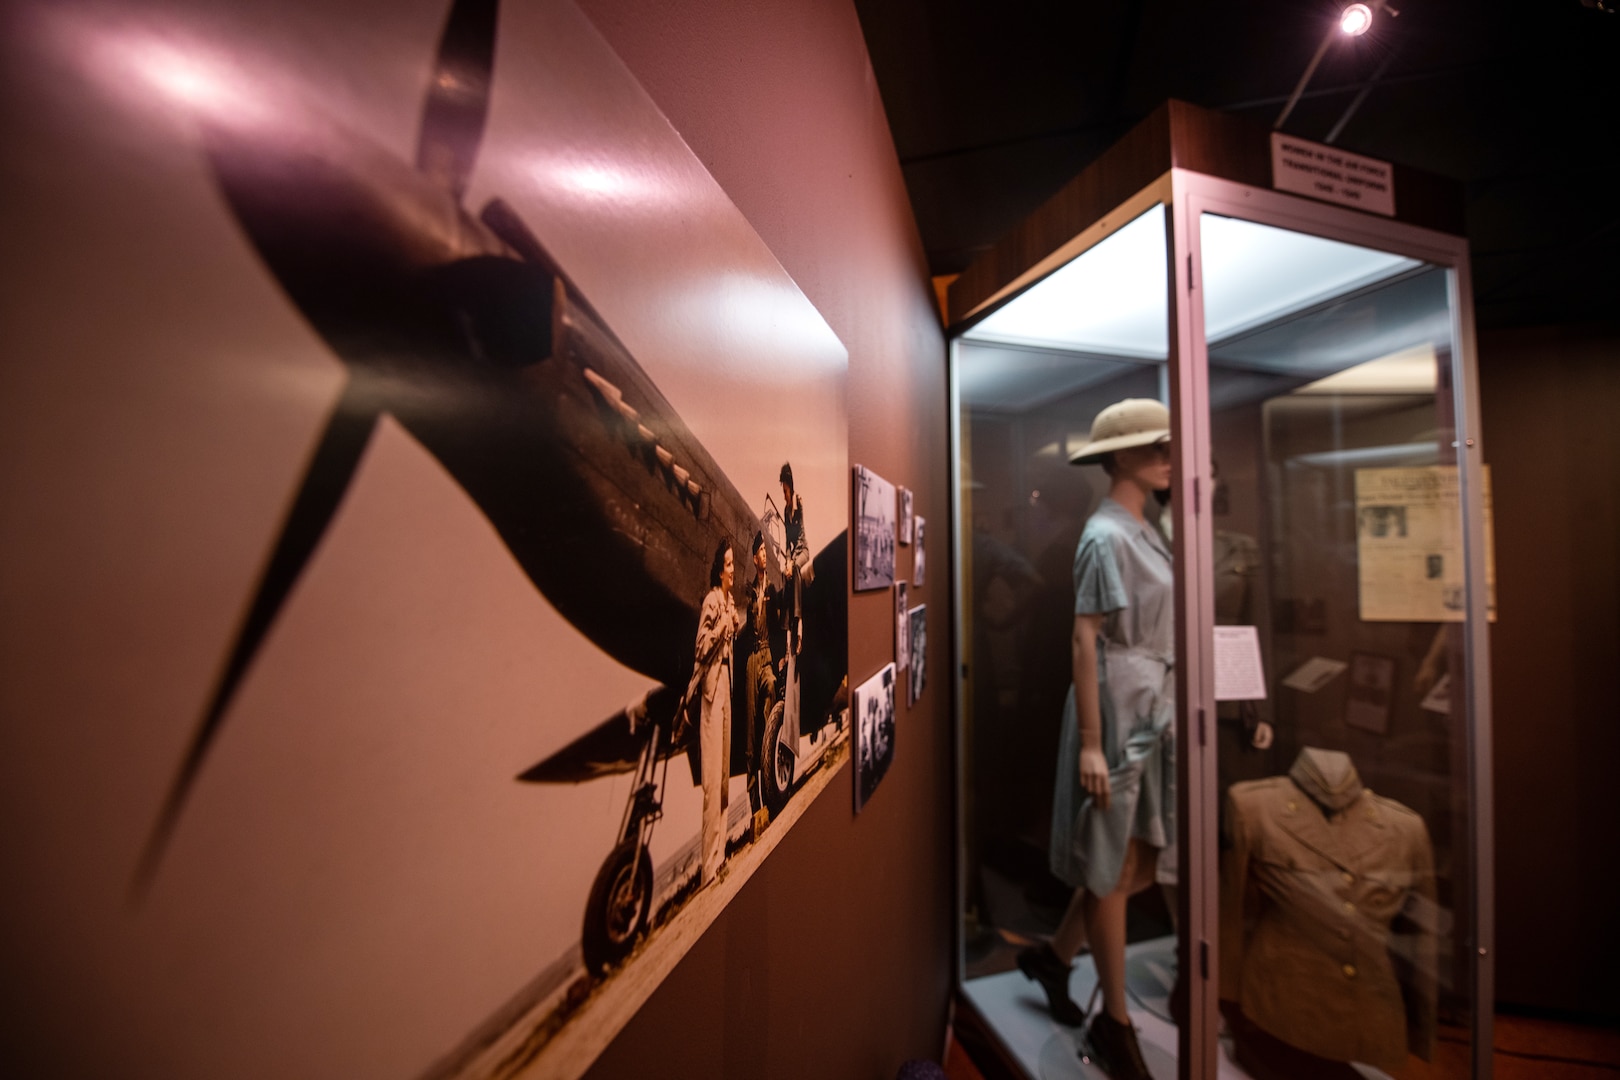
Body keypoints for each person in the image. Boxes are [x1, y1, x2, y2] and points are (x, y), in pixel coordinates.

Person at [1017, 398, 1175, 1080]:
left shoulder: (1148, 530)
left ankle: (1052, 959)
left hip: (1149, 701)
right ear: (1118, 457)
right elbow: (1085, 636)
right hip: (1114, 704)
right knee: (1112, 864)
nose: (1166, 456)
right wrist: (1090, 740)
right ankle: (1115, 1022)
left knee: (1129, 861)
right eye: (1152, 447)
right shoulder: (1105, 535)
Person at [695, 537, 743, 886]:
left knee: (724, 776)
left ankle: (720, 855)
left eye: (732, 565)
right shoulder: (713, 600)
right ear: (719, 569)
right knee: (711, 780)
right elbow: (701, 645)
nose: (732, 571)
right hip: (711, 692)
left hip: (726, 686)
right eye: (728, 565)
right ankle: (707, 868)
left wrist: (733, 626)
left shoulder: (729, 601)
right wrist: (723, 630)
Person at [743, 531, 787, 813]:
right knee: (749, 732)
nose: (763, 555)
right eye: (759, 551)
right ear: (754, 558)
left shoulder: (771, 590)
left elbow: (780, 623)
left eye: (764, 551)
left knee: (771, 692)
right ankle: (754, 805)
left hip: (769, 655)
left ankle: (772, 770)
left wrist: (782, 657)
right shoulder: (748, 593)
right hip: (751, 660)